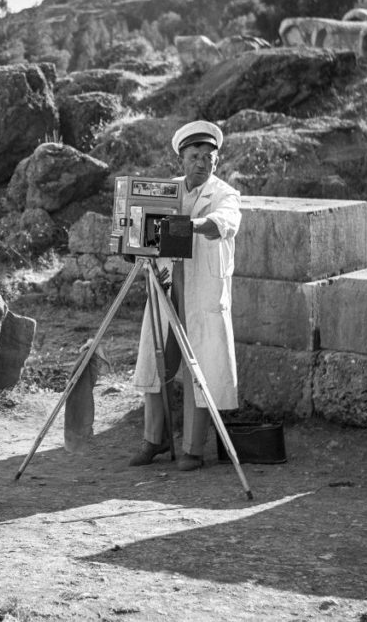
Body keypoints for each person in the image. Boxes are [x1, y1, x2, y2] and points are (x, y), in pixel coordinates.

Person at [128, 120, 242, 472]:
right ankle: (155, 439)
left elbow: (223, 223)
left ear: (216, 161)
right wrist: (132, 239)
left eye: (209, 156)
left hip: (202, 293)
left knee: (199, 367)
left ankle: (193, 447)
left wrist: (186, 226)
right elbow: (139, 226)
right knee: (156, 362)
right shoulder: (165, 191)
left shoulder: (225, 194)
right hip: (166, 287)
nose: (201, 162)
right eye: (195, 155)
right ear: (181, 159)